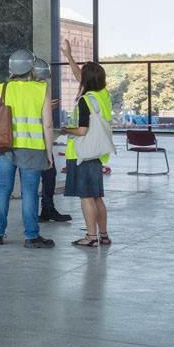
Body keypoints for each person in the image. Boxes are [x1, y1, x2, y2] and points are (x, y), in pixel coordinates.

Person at [0, 49, 56, 248]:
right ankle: (31, 236)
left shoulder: (3, 88)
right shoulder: (40, 90)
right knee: (29, 193)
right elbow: (48, 125)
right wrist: (49, 153)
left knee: (2, 190)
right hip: (33, 149)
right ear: (31, 68)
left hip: (5, 146)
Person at [61, 39, 112, 247]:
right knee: (97, 196)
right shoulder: (102, 96)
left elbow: (82, 130)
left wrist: (65, 129)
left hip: (82, 154)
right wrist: (69, 57)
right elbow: (81, 78)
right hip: (98, 154)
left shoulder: (84, 101)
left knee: (86, 197)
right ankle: (103, 234)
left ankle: (90, 237)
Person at [32, 57, 73, 224]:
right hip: (34, 142)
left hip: (39, 141)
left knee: (49, 176)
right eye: (41, 78)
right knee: (35, 179)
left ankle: (47, 209)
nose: (43, 81)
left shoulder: (39, 89)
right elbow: (44, 122)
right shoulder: (36, 90)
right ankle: (36, 214)